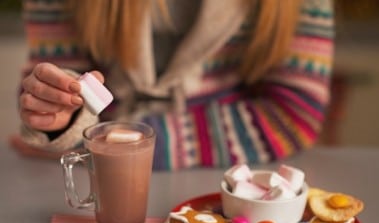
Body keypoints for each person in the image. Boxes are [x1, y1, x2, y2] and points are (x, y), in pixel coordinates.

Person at [10, 0, 335, 170]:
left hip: (235, 182)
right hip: (97, 180)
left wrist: (107, 146)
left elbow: (293, 114)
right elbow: (60, 78)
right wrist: (56, 118)